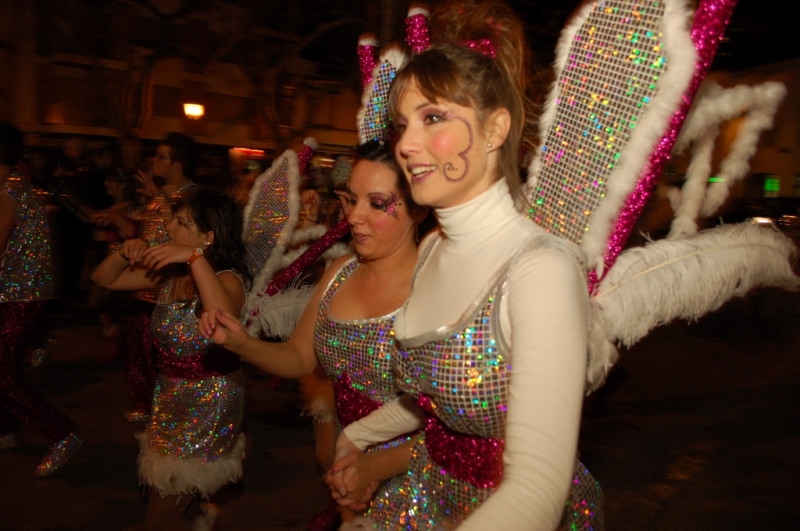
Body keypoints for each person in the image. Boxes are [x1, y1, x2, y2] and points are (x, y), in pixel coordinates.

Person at [326, 2, 603, 529]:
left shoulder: (540, 270)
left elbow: (538, 489)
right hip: (428, 498)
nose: (406, 145)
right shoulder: (431, 249)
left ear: (495, 129)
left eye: (433, 118)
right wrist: (356, 436)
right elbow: (434, 396)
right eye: (402, 124)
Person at [198, 140, 432, 528]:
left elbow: (465, 433)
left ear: (420, 207)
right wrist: (242, 343)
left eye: (376, 203)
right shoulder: (340, 271)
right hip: (349, 470)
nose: (353, 216)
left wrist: (376, 465)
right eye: (350, 199)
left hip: (421, 481)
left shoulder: (438, 287)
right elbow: (298, 357)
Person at [91, 188, 249, 531]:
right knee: (170, 496)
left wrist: (195, 259)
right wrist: (125, 250)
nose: (168, 227)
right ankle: (201, 513)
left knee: (160, 514)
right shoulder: (171, 276)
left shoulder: (228, 279)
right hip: (168, 396)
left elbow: (223, 318)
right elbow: (105, 278)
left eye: (181, 223)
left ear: (208, 237)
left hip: (210, 398)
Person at [0, 121, 83, 476]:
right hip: (18, 291)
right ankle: (5, 429)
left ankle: (61, 432)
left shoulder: (8, 189)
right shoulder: (16, 185)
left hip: (19, 293)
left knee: (1, 373)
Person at [121, 133, 200, 423]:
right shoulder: (159, 195)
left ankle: (167, 411)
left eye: (160, 156)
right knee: (138, 349)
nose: (153, 160)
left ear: (177, 164)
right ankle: (147, 405)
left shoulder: (192, 198)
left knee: (167, 356)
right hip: (144, 283)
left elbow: (184, 240)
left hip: (169, 288)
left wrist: (160, 200)